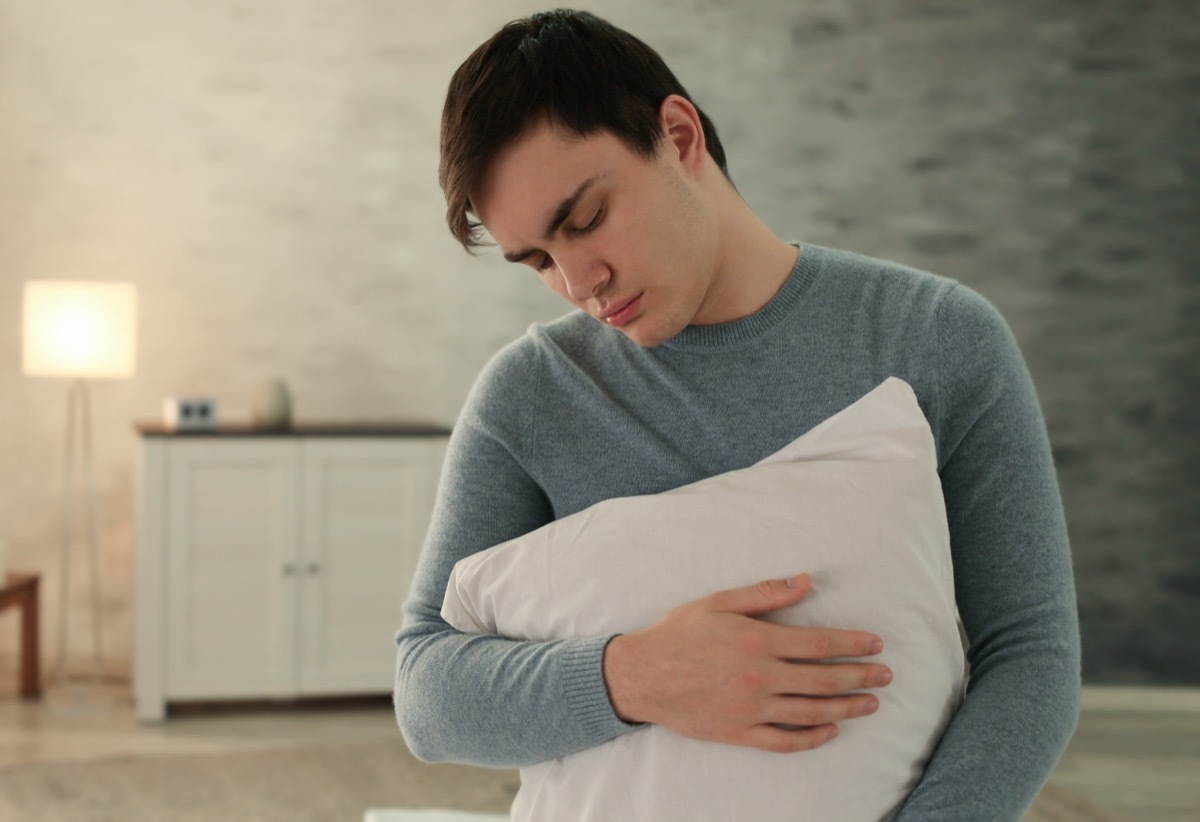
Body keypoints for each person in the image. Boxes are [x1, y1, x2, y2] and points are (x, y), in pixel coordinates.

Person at [394, 8, 1081, 819]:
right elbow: (427, 693)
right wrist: (639, 677)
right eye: (540, 259)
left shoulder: (935, 338)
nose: (580, 282)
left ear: (679, 137)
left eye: (585, 221)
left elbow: (1030, 656)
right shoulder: (530, 396)